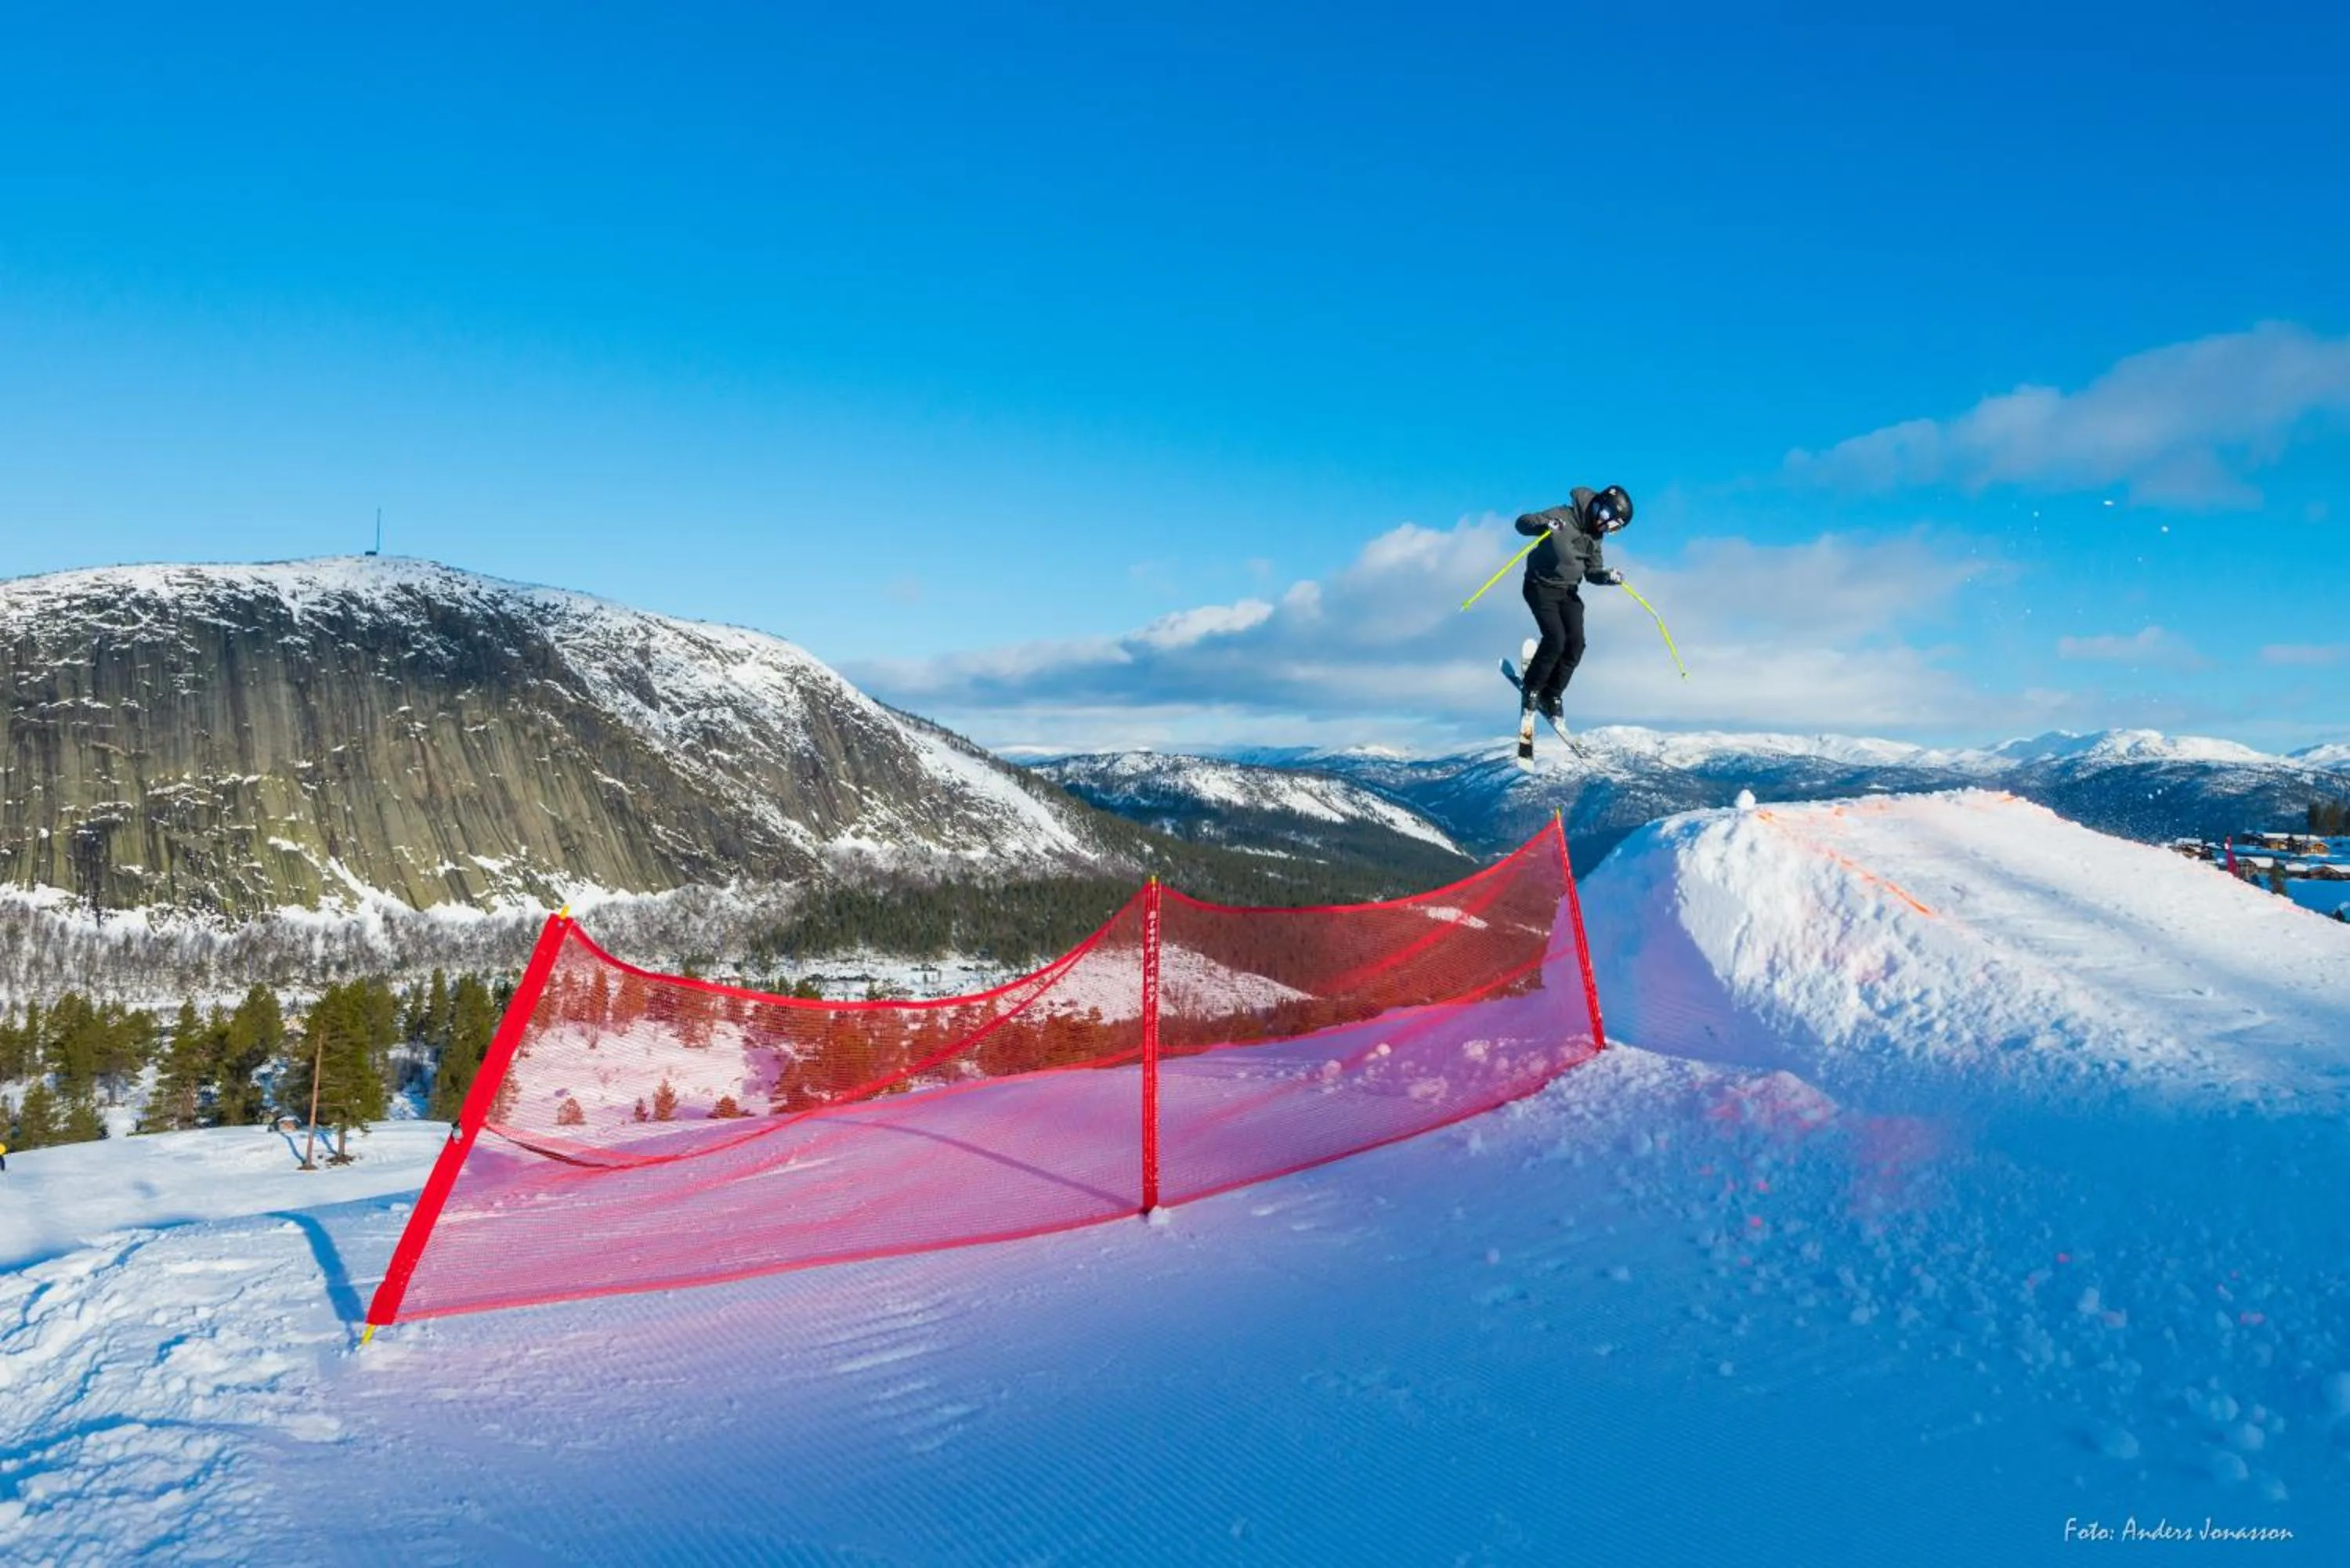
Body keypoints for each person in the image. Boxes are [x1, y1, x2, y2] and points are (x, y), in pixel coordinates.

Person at [1514, 485, 1632, 728]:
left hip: (1568, 591)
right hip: (1540, 586)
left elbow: (1592, 573)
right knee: (1555, 639)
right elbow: (1522, 524)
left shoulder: (1594, 537)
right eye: (1611, 524)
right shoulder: (1563, 516)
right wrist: (1544, 525)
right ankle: (1533, 688)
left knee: (1576, 644)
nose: (1608, 530)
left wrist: (1607, 577)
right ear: (1602, 510)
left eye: (1614, 529)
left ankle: (1552, 694)